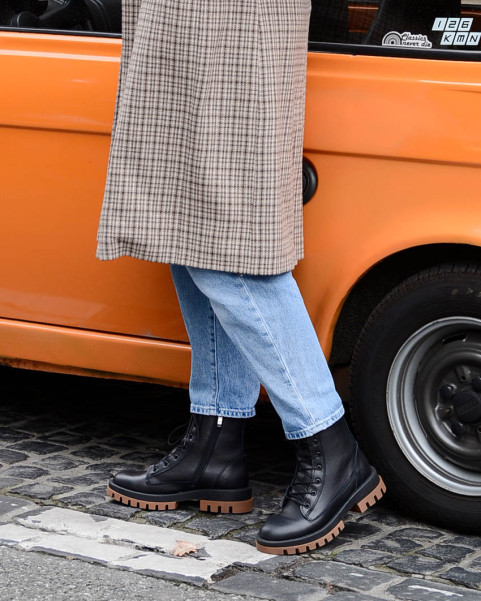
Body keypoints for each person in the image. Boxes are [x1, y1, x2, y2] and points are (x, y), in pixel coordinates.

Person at [96, 0, 385, 555]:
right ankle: (215, 441)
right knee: (184, 229)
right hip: (174, 26)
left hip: (229, 26)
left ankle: (333, 448)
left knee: (233, 244)